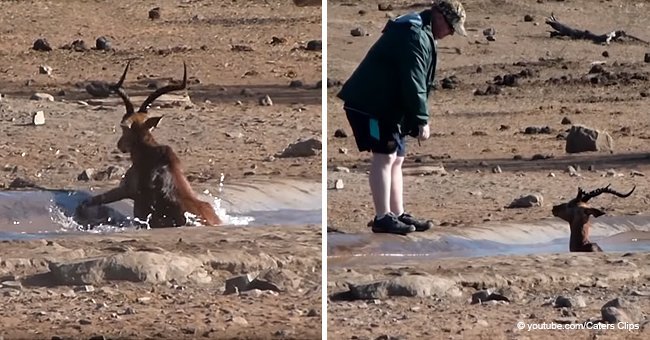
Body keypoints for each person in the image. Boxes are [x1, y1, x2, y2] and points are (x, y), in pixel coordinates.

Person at [336, 0, 467, 235]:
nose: (450, 34)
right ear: (439, 16)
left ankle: (397, 214)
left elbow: (414, 82)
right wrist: (421, 119)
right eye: (450, 27)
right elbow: (414, 81)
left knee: (396, 158)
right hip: (371, 106)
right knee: (384, 157)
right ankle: (382, 218)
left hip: (387, 108)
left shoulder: (421, 31)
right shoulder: (414, 34)